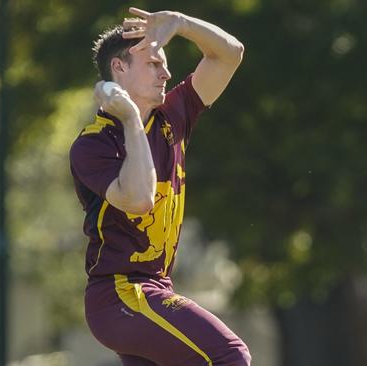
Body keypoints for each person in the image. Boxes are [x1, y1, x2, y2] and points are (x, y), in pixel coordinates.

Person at [69, 7, 250, 366]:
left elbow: (231, 53)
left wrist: (182, 24)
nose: (166, 72)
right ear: (118, 69)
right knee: (229, 355)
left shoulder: (175, 112)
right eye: (153, 63)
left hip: (154, 289)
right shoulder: (93, 144)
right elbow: (139, 199)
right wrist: (132, 119)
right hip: (119, 295)